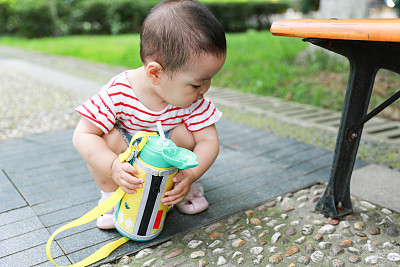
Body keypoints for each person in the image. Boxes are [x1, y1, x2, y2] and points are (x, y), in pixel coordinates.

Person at [72, 0, 226, 229]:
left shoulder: (193, 100)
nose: (205, 89)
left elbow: (209, 140)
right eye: (196, 84)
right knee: (104, 137)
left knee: (190, 133)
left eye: (209, 79)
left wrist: (191, 174)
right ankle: (112, 197)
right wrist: (113, 166)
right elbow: (82, 135)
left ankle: (178, 186)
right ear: (155, 73)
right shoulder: (119, 92)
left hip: (168, 159)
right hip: (128, 161)